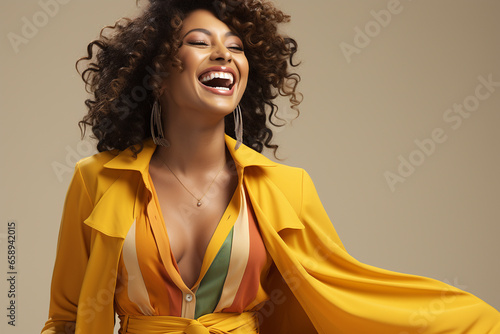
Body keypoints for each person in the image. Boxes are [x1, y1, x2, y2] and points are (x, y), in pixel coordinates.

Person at [41, 0, 500, 333]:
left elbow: (338, 296)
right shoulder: (96, 180)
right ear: (158, 70)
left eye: (236, 47)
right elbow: (64, 320)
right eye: (199, 42)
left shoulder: (288, 187)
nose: (223, 54)